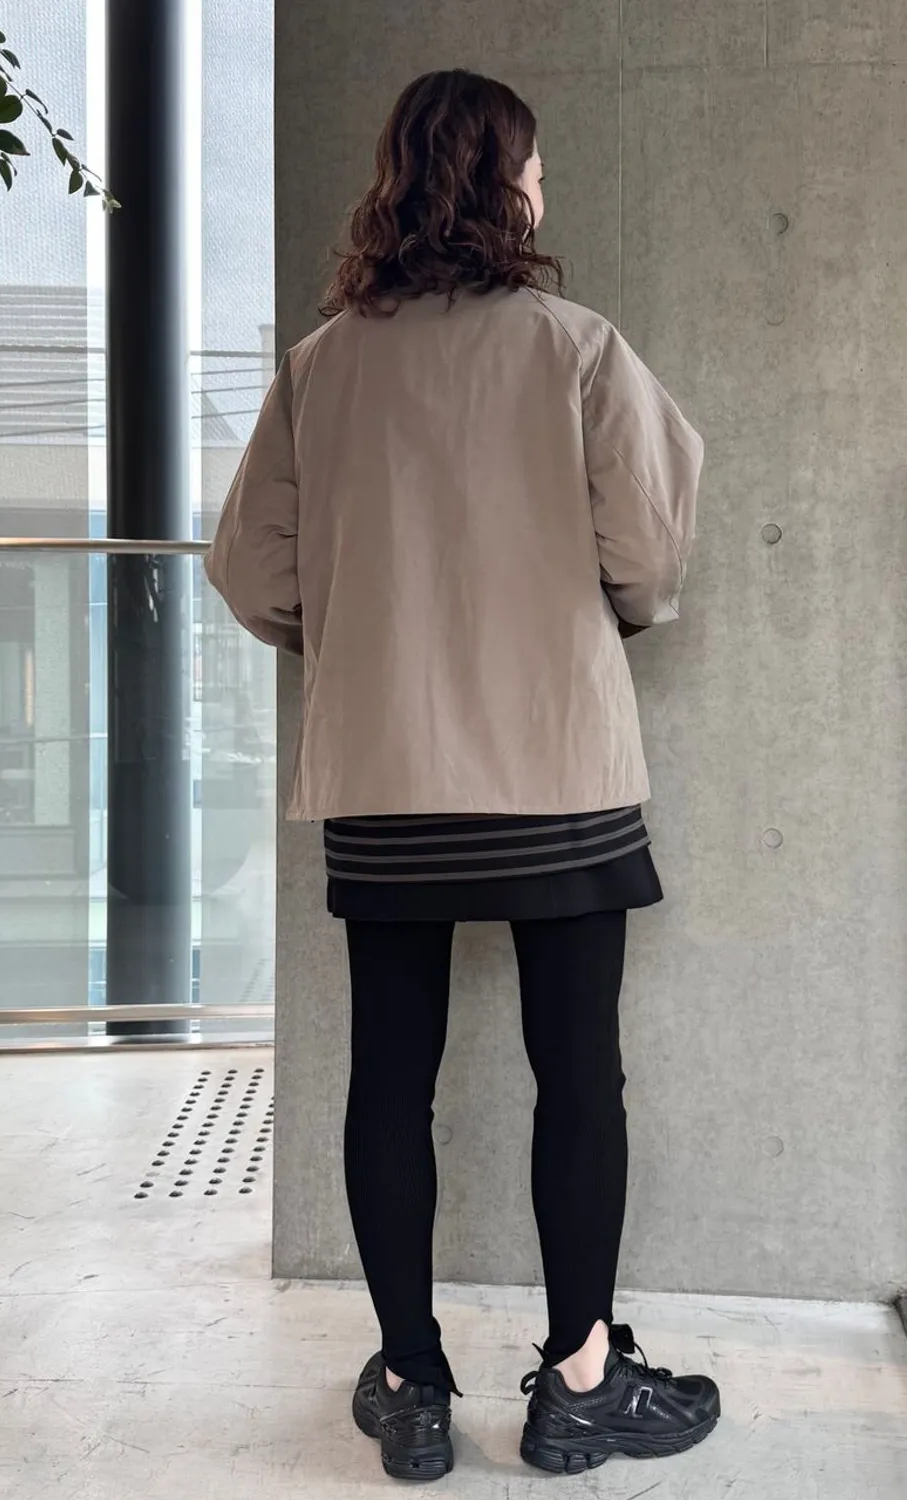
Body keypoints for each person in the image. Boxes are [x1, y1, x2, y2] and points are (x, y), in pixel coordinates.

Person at [206, 68, 719, 1484]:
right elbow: (649, 556)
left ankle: (411, 1382)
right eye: (535, 168)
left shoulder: (321, 367)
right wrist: (600, 612)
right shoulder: (579, 349)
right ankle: (581, 1385)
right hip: (557, 762)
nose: (544, 189)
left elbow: (249, 571)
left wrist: (351, 632)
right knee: (580, 1076)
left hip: (388, 774)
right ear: (505, 185)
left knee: (389, 1076)